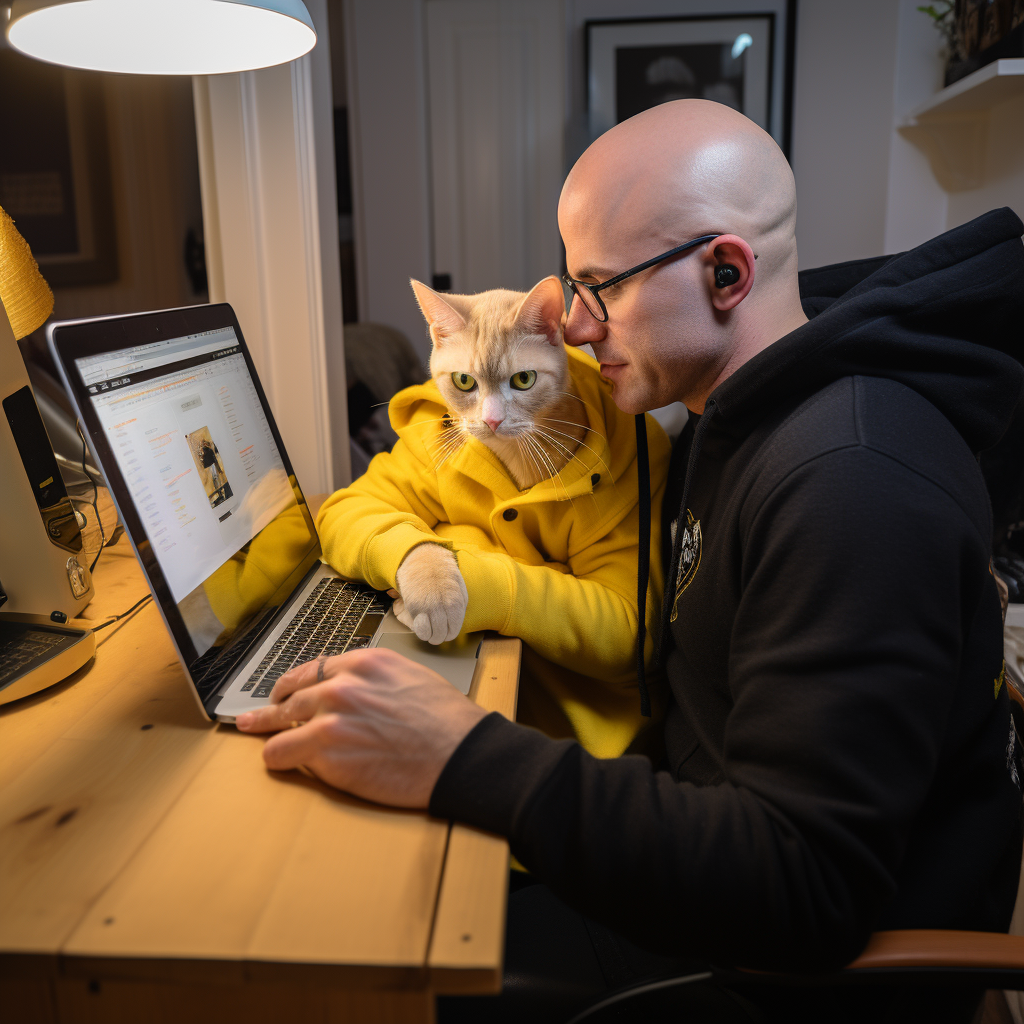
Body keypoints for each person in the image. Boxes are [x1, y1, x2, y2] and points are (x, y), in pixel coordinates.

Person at [236, 100, 1024, 1022]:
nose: (572, 326)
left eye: (598, 287)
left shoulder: (854, 482)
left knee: (361, 966)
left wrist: (462, 755)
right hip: (694, 837)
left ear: (726, 272)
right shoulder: (726, 413)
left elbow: (801, 890)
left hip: (786, 969)